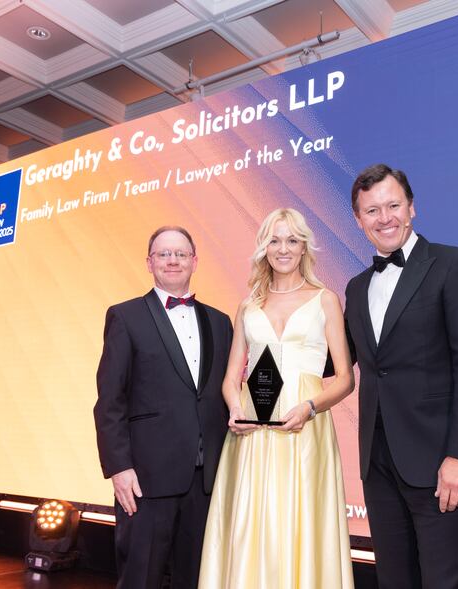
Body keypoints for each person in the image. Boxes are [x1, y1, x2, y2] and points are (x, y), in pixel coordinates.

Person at [344, 164, 458, 589]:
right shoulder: (356, 288)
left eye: (393, 205)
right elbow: (332, 360)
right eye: (371, 210)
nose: (384, 217)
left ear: (412, 209)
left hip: (441, 464)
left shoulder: (454, 265)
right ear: (358, 220)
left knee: (445, 583)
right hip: (377, 466)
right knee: (394, 581)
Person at [199, 208, 355, 589]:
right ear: (263, 248)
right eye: (274, 240)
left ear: (304, 248)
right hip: (253, 430)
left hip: (306, 427)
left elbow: (346, 380)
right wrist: (235, 409)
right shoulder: (248, 305)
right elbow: (231, 377)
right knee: (254, 516)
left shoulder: (325, 300)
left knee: (299, 517)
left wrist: (310, 407)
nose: (282, 248)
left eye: (291, 240)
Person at [94, 226, 233, 588]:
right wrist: (118, 467)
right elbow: (110, 400)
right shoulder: (125, 317)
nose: (173, 260)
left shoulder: (221, 322)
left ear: (195, 261)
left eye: (181, 254)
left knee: (197, 578)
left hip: (206, 480)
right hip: (145, 480)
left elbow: (226, 394)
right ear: (149, 262)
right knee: (141, 578)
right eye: (164, 254)